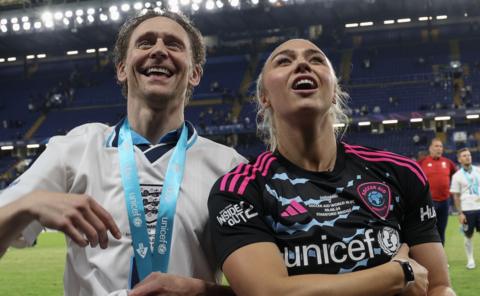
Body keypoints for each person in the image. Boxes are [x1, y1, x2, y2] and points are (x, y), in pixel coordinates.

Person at [0, 10, 244, 296]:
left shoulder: (230, 167)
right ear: (121, 68)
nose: (159, 51)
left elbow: (268, 286)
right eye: (145, 43)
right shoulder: (77, 147)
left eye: (173, 44)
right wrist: (29, 203)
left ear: (195, 74)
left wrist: (206, 293)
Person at [208, 39, 455, 295]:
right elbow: (269, 293)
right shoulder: (240, 190)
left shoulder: (400, 172)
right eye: (284, 61)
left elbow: (438, 286)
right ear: (264, 96)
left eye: (315, 59)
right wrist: (396, 274)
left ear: (334, 90)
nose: (302, 64)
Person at [418, 138, 457, 245]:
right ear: (430, 148)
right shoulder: (422, 162)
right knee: (429, 231)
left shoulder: (448, 162)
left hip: (445, 202)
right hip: (429, 202)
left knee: (441, 230)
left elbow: (457, 176)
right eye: (436, 146)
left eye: (441, 146)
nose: (439, 148)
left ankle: (441, 259)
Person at [450, 148, 480, 269]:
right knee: (468, 235)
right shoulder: (457, 176)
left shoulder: (478, 170)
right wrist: (460, 213)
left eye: (469, 155)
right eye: (464, 155)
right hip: (467, 210)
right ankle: (470, 259)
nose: (467, 157)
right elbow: (456, 196)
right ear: (459, 159)